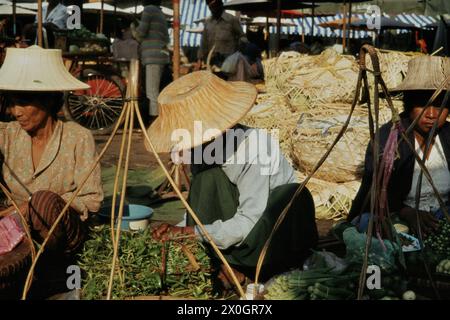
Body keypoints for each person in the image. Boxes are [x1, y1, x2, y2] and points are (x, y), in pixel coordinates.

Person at [149, 71, 318, 286]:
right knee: (206, 180)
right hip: (234, 229)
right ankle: (225, 263)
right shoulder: (202, 150)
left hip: (271, 236)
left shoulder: (253, 149)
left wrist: (189, 232)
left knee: (209, 180)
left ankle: (238, 267)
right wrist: (178, 228)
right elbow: (200, 204)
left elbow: (249, 221)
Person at [0, 46, 103, 261]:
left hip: (65, 233)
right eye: (13, 104)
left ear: (47, 101)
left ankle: (46, 265)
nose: (16, 112)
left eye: (24, 103)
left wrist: (30, 207)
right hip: (15, 229)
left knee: (43, 201)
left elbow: (92, 199)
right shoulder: (8, 135)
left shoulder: (78, 137)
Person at [348, 56, 450, 237]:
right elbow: (376, 193)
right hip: (398, 215)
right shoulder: (389, 137)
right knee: (368, 224)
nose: (432, 114)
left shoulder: (448, 135)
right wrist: (407, 212)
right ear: (409, 105)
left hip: (442, 214)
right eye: (422, 104)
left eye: (440, 106)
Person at [132, 0, 169, 120]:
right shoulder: (159, 13)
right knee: (155, 91)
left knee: (152, 93)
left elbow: (140, 33)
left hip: (153, 56)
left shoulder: (149, 10)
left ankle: (155, 121)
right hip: (160, 55)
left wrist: (133, 28)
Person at [195, 0, 248, 70]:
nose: (213, 9)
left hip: (229, 63)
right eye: (210, 7)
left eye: (214, 6)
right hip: (211, 63)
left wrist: (237, 52)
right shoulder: (208, 22)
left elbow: (243, 37)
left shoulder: (232, 20)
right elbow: (203, 43)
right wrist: (199, 60)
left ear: (221, 5)